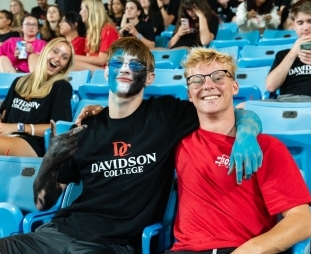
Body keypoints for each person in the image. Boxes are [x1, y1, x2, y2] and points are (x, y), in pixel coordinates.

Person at [0, 37, 263, 254]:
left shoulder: (166, 115)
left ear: (149, 78)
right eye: (118, 63)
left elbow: (236, 111)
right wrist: (49, 161)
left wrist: (247, 136)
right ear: (106, 71)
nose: (125, 69)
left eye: (135, 65)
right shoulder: (84, 129)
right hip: (55, 234)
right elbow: (44, 203)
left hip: (112, 245)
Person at [169, 47, 311, 254]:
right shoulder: (177, 143)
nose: (208, 85)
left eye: (218, 77)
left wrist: (250, 250)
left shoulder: (267, 147)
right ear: (189, 94)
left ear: (235, 86)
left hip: (242, 248)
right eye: (197, 80)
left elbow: (303, 221)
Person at [0, 37, 74, 157]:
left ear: (65, 66)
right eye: (55, 52)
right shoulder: (19, 82)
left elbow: (57, 127)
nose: (57, 59)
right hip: (6, 137)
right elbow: (3, 115)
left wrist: (18, 127)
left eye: (64, 57)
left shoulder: (62, 87)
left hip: (32, 143)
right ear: (45, 51)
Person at [266, 0, 311, 113]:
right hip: (285, 104)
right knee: (242, 107)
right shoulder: (284, 54)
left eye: (310, 21)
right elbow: (270, 86)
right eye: (300, 23)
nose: (305, 27)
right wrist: (293, 53)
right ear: (294, 25)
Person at [73, 0, 119, 73]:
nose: (80, 13)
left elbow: (102, 60)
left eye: (82, 9)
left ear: (90, 10)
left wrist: (73, 57)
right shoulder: (91, 32)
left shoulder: (108, 30)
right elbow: (88, 57)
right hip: (97, 70)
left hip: (109, 72)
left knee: (72, 64)